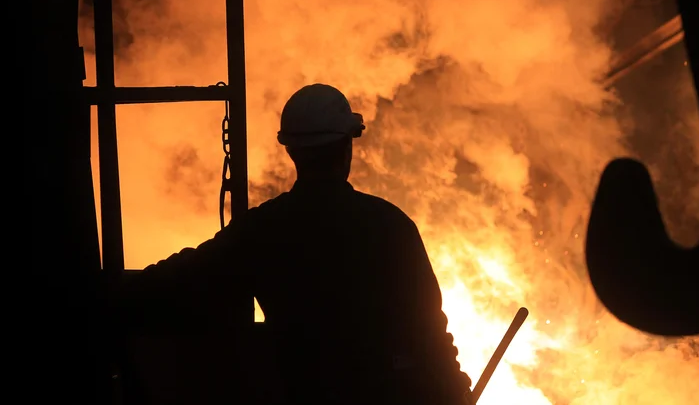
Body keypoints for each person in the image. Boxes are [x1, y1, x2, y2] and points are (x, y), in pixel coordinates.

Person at [114, 84, 473, 405]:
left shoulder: (263, 229)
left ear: (291, 151)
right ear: (348, 146)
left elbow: (184, 277)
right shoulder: (391, 226)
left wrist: (105, 293)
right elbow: (428, 328)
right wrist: (456, 391)